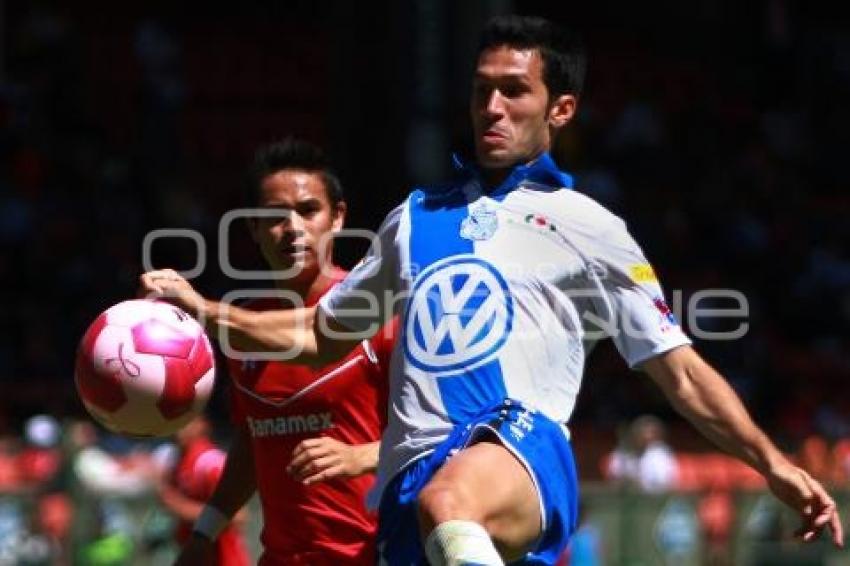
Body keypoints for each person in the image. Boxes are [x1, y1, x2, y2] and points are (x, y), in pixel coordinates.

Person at [141, 15, 843, 565]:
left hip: (516, 450)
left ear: (560, 110)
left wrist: (773, 465)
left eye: (515, 90)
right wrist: (203, 311)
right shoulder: (414, 218)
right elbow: (320, 333)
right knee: (439, 509)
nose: (493, 107)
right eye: (482, 90)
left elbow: (681, 373)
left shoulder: (591, 228)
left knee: (452, 500)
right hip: (408, 493)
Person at [173, 139, 396, 565]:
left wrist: (361, 455)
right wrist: (206, 531)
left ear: (338, 218)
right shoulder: (241, 334)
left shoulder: (381, 316)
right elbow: (253, 440)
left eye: (308, 210)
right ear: (254, 229)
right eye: (273, 217)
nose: (292, 228)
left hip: (372, 555)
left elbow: (442, 434)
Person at [156, 415, 250, 565]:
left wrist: (180, 507)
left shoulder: (210, 462)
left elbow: (238, 516)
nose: (178, 429)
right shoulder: (177, 462)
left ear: (202, 425)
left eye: (184, 422)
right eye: (174, 421)